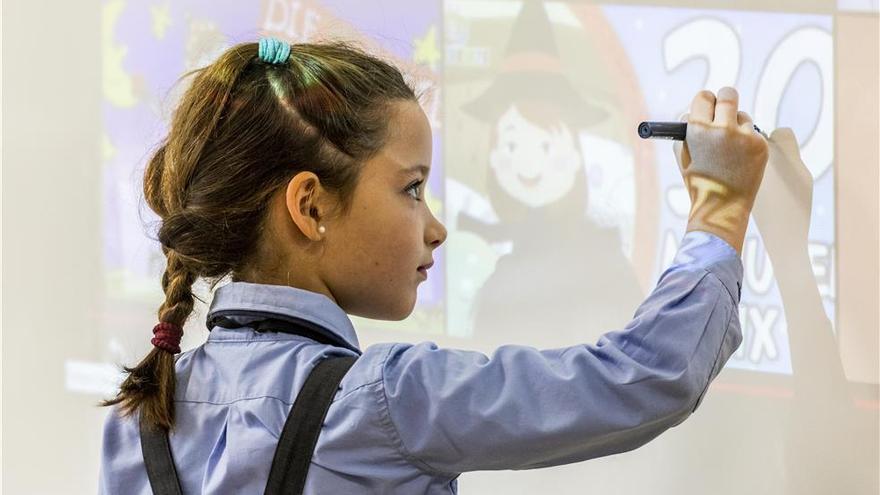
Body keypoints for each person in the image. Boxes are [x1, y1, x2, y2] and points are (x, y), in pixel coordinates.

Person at [98, 37, 768, 494]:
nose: (437, 227)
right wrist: (720, 206)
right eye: (412, 188)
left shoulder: (135, 418)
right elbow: (643, 377)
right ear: (309, 205)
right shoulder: (389, 399)